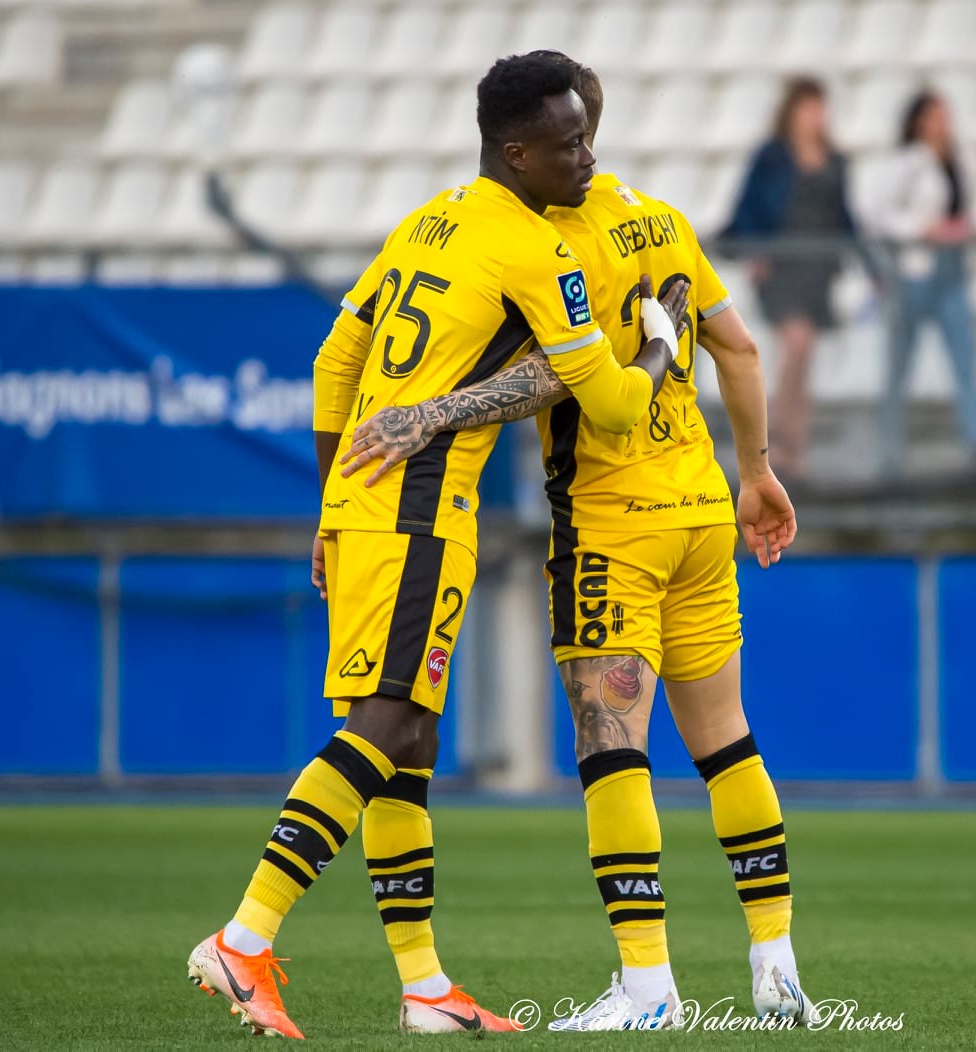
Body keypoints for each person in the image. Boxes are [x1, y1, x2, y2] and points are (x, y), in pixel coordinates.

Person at [184, 51, 688, 1039]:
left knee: (407, 743)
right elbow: (621, 408)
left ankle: (424, 986)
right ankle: (244, 937)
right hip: (421, 507)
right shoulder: (536, 253)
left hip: (373, 503)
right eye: (568, 144)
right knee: (385, 724)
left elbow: (338, 358)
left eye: (587, 136)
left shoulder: (433, 216)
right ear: (516, 151)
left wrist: (330, 505)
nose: (587, 157)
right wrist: (661, 337)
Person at [339, 54, 810, 1032]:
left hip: (610, 521)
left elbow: (561, 379)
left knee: (612, 747)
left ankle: (648, 988)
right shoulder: (665, 218)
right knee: (727, 739)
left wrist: (436, 411)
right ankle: (777, 966)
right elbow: (740, 346)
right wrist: (755, 471)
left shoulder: (551, 233)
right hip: (698, 513)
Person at [720, 77, 864, 480]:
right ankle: (778, 443)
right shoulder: (771, 157)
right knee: (796, 345)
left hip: (818, 272)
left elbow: (846, 218)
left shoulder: (834, 160)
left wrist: (869, 263)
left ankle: (794, 445)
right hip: (782, 270)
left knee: (804, 357)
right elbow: (746, 210)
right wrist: (753, 250)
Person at [873, 89, 976, 473]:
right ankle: (889, 448)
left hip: (952, 270)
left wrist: (963, 230)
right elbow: (883, 216)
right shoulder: (909, 164)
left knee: (966, 357)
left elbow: (967, 208)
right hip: (915, 273)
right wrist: (924, 230)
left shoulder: (960, 160)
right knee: (900, 363)